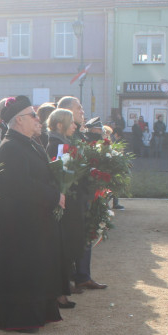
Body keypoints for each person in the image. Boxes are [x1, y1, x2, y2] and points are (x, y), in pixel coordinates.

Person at [0, 96, 66, 332]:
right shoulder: (10, 147)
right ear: (19, 120)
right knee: (23, 267)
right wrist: (53, 195)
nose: (38, 119)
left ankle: (40, 311)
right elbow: (20, 185)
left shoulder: (28, 143)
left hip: (35, 217)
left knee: (38, 265)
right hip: (21, 220)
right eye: (33, 115)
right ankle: (20, 317)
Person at [57, 96, 106, 291]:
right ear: (67, 112)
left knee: (86, 233)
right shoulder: (64, 138)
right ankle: (69, 277)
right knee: (72, 237)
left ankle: (83, 275)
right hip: (71, 196)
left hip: (84, 193)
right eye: (79, 109)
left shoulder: (79, 135)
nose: (83, 113)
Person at [46, 107, 82, 310]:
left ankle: (64, 288)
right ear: (60, 125)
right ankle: (59, 292)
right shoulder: (55, 145)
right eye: (71, 122)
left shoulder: (63, 142)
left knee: (67, 247)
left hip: (66, 199)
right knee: (63, 248)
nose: (75, 125)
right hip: (62, 202)